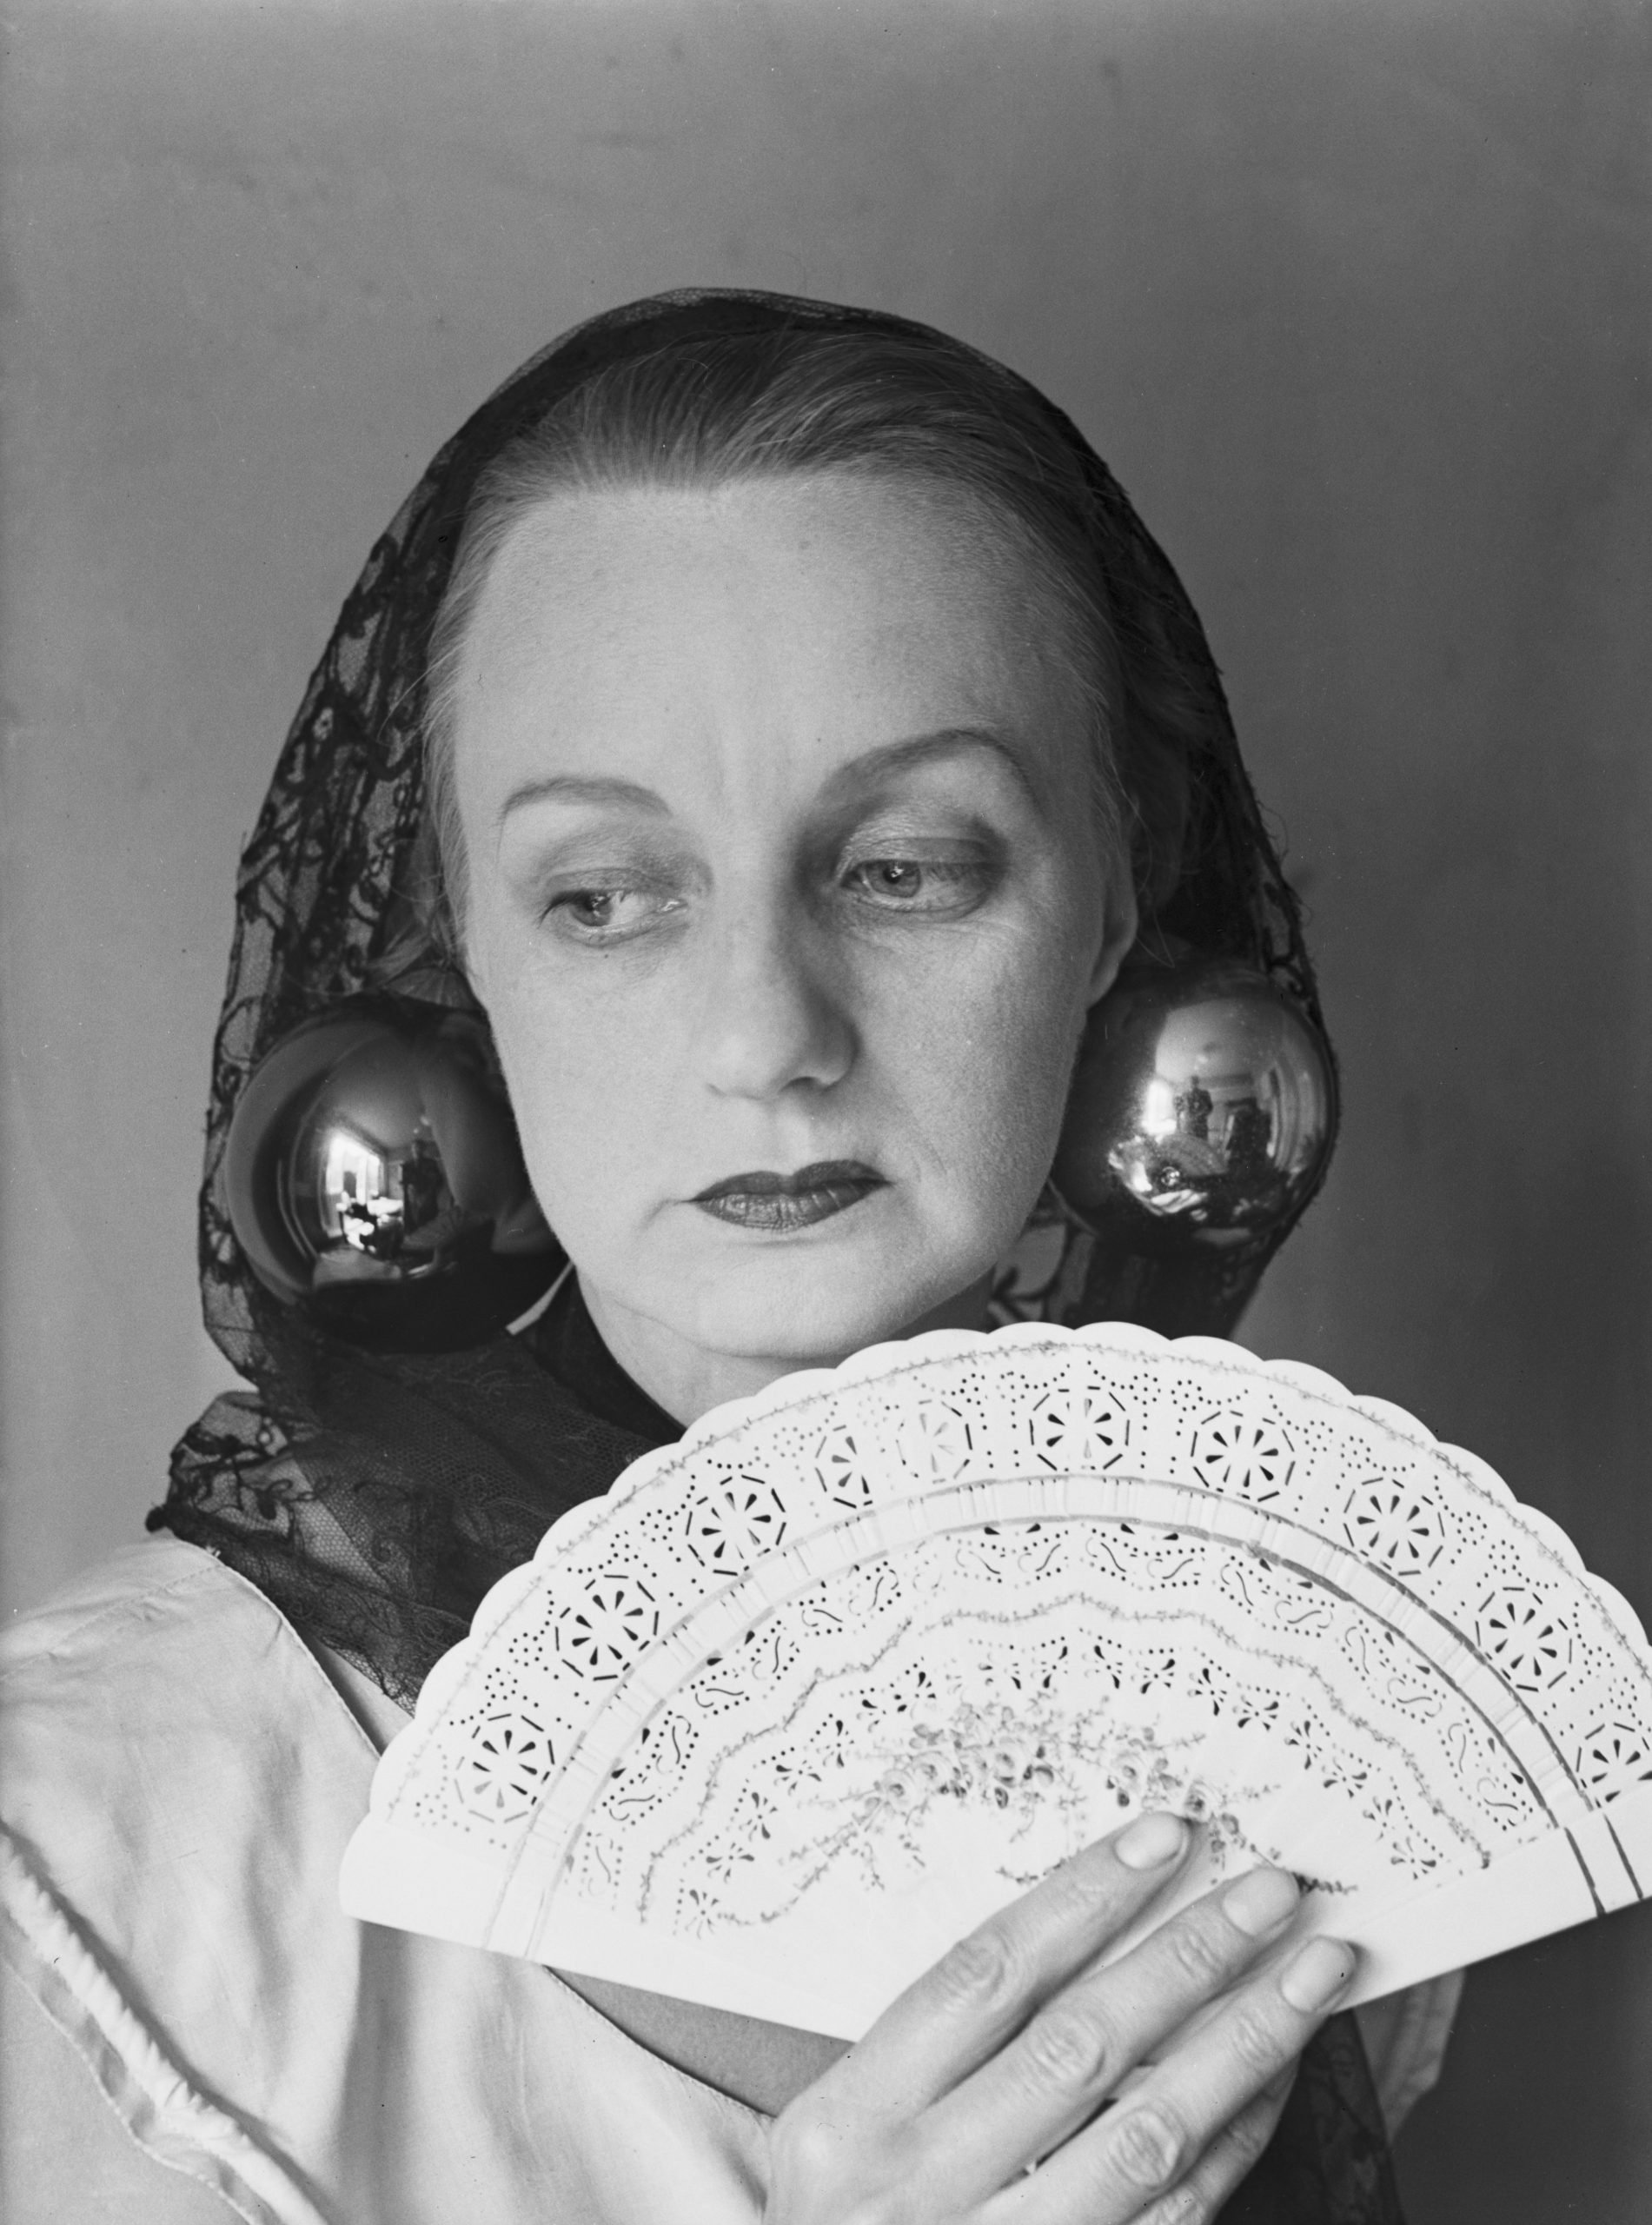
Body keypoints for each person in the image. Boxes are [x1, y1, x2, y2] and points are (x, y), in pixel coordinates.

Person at [0, 290, 1456, 2223]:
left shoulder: (1333, 1784)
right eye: (605, 895)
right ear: (465, 951)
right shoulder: (93, 1869)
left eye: (906, 866)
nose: (770, 1035)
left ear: (1115, 888)